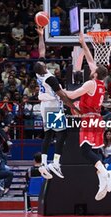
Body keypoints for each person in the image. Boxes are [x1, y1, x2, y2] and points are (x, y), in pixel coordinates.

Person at [64, 32, 111, 201]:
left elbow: (72, 95)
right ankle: (103, 175)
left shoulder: (90, 83)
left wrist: (58, 90)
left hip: (89, 119)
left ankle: (105, 172)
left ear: (94, 73)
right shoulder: (101, 84)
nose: (92, 67)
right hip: (97, 118)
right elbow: (90, 59)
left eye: (93, 69)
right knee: (92, 150)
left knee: (85, 150)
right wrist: (83, 43)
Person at [34, 26, 78, 180]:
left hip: (44, 106)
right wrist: (74, 107)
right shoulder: (50, 78)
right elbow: (63, 96)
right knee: (62, 133)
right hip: (53, 106)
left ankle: (44, 163)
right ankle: (56, 163)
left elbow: (41, 52)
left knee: (48, 134)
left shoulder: (39, 73)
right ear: (44, 68)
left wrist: (41, 36)